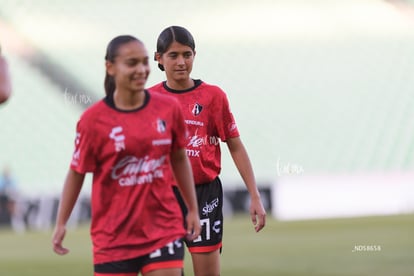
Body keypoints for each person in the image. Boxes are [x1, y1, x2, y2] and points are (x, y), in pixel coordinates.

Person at [52, 35, 201, 276]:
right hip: (113, 239)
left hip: (163, 229)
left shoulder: (167, 108)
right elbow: (77, 172)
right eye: (132, 63)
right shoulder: (93, 120)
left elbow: (179, 158)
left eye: (144, 62)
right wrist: (61, 223)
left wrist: (192, 208)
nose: (141, 70)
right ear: (110, 67)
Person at [150, 26, 267, 276]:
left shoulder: (213, 97)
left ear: (194, 55)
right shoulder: (148, 100)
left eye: (187, 54)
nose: (181, 62)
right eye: (173, 55)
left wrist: (254, 195)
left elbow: (235, 145)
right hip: (162, 197)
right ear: (159, 58)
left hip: (205, 195)